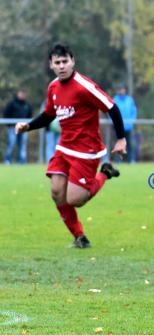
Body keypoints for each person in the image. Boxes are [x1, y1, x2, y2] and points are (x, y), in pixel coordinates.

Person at [15, 43, 126, 248]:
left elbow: (112, 107)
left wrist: (121, 138)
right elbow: (49, 115)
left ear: (73, 61)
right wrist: (28, 126)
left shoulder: (84, 86)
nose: (62, 66)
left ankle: (105, 173)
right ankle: (79, 237)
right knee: (57, 193)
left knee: (75, 199)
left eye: (65, 61)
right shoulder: (53, 87)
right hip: (65, 147)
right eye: (57, 62)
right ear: (51, 65)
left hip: (87, 150)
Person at [4, 89, 33, 164]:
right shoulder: (12, 103)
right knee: (12, 143)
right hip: (12, 127)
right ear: (18, 94)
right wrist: (9, 125)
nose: (22, 95)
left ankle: (22, 161)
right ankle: (7, 159)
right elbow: (6, 114)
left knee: (22, 145)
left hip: (23, 128)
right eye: (21, 93)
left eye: (24, 94)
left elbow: (30, 115)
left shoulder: (27, 105)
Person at [113, 83, 138, 163]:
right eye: (119, 89)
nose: (121, 91)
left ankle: (131, 160)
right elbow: (111, 111)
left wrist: (132, 121)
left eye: (122, 89)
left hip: (128, 127)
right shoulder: (115, 99)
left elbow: (133, 111)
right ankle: (118, 161)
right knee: (118, 144)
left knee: (130, 144)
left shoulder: (129, 100)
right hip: (118, 127)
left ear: (125, 90)